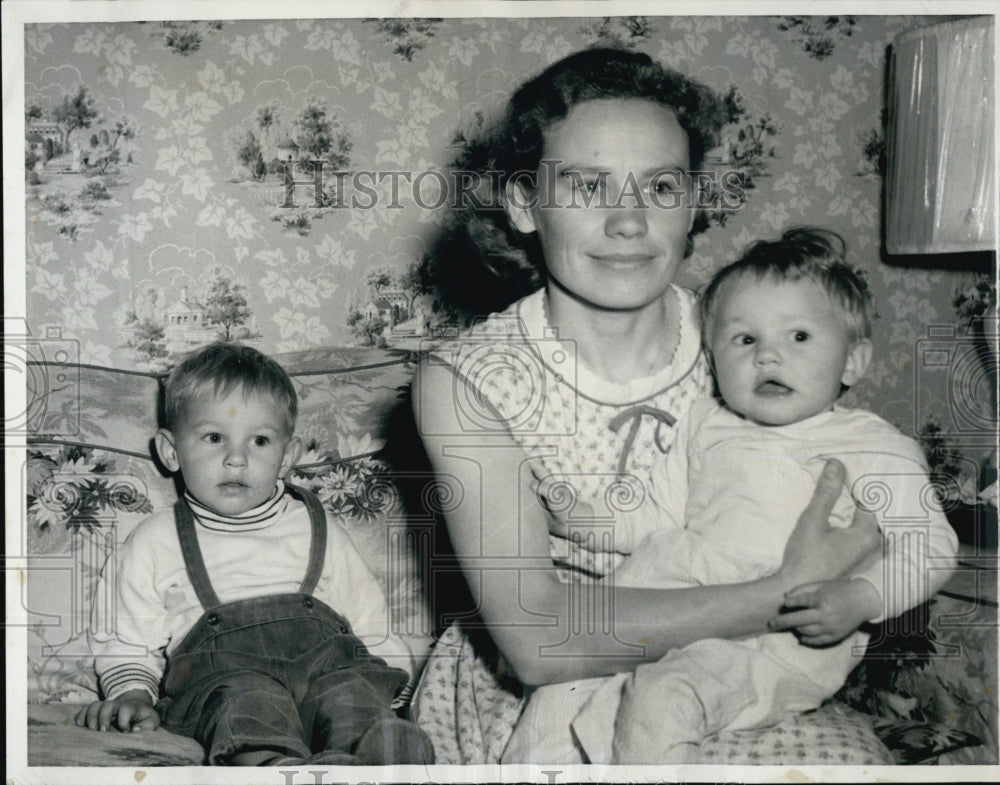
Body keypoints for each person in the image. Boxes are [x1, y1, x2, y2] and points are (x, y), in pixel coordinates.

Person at [410, 47, 892, 765]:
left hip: (738, 655)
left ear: (693, 200)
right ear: (521, 204)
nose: (630, 222)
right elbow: (538, 637)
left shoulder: (752, 342)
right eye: (587, 186)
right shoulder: (472, 379)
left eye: (661, 187)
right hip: (558, 667)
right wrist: (784, 591)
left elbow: (852, 508)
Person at [514, 228, 959, 764]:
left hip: (777, 642)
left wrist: (864, 595)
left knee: (662, 697)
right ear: (713, 359)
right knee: (560, 686)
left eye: (798, 337)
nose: (768, 356)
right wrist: (578, 519)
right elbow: (656, 514)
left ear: (853, 362)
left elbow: (931, 546)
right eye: (744, 340)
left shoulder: (871, 444)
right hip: (674, 598)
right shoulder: (706, 422)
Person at [75, 343, 433, 766]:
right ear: (171, 451)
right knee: (251, 702)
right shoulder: (155, 540)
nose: (236, 458)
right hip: (225, 684)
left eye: (260, 440)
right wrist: (132, 694)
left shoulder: (318, 526)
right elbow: (128, 639)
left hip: (327, 672)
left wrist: (394, 690)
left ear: (287, 456)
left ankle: (379, 756)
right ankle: (274, 768)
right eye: (213, 438)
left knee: (351, 693)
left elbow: (369, 622)